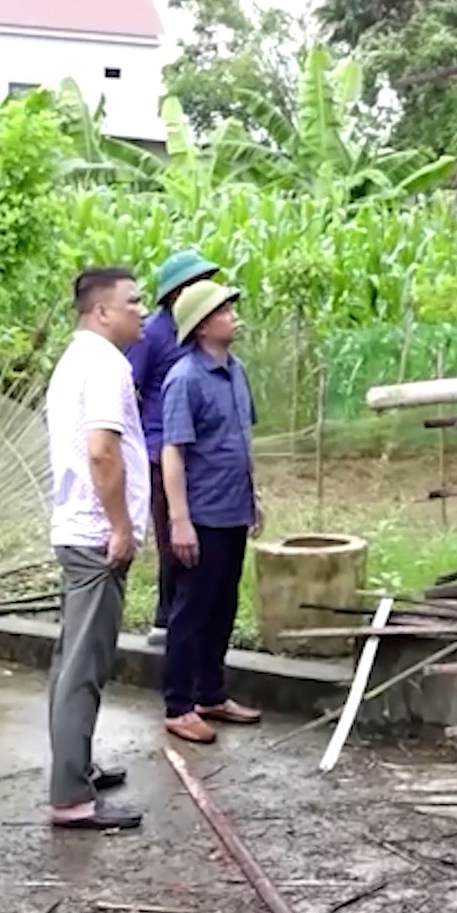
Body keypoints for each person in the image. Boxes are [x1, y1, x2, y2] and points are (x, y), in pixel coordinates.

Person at [44, 267, 148, 830]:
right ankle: (71, 798)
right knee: (85, 665)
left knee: (71, 662)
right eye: (134, 302)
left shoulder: (77, 359)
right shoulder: (106, 363)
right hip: (94, 534)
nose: (143, 311)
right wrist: (121, 525)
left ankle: (74, 766)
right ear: (101, 311)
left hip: (78, 529)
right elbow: (102, 451)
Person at [158, 281, 264, 744]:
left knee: (223, 606)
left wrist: (254, 497)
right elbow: (173, 452)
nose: (233, 316)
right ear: (201, 326)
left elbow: (242, 440)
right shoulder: (184, 379)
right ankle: (179, 705)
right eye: (224, 311)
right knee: (191, 612)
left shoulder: (236, 371)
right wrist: (179, 519)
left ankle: (211, 693)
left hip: (232, 508)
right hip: (200, 515)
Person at [125, 249, 220, 647]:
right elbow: (129, 388)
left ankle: (192, 616)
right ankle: (166, 617)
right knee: (171, 535)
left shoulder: (199, 334)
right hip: (160, 449)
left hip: (199, 450)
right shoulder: (153, 335)